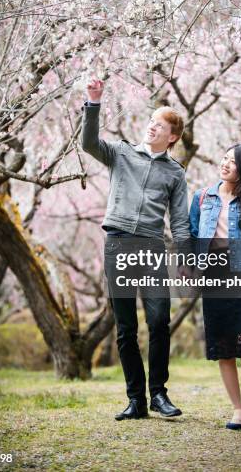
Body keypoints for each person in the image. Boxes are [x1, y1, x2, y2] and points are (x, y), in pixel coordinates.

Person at [81, 78, 189, 420]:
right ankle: (136, 401)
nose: (151, 126)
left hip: (152, 247)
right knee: (125, 327)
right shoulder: (121, 152)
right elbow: (89, 143)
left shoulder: (175, 173)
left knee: (159, 321)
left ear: (172, 136)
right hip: (117, 244)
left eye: (159, 124)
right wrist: (93, 102)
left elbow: (181, 221)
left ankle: (158, 394)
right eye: (151, 121)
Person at [189, 144, 241, 430]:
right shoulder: (202, 197)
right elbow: (191, 235)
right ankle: (236, 408)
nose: (225, 164)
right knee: (223, 346)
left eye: (233, 162)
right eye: (224, 158)